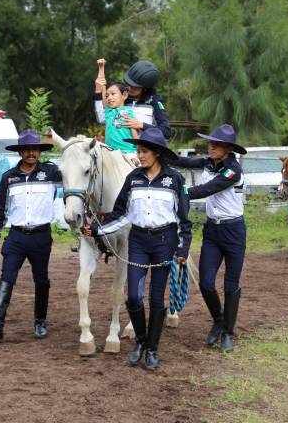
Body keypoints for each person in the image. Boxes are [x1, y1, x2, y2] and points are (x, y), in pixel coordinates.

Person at [82, 128, 191, 370]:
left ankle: (152, 348)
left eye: (144, 152)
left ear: (157, 153)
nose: (139, 156)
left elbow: (183, 219)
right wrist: (97, 229)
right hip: (139, 241)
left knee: (156, 299)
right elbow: (121, 214)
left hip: (165, 242)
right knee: (133, 297)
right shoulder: (133, 178)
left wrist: (183, 250)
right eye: (138, 151)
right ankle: (141, 341)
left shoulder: (175, 180)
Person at [171, 124, 247, 352]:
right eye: (211, 143)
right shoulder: (207, 162)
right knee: (205, 283)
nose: (211, 147)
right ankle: (219, 320)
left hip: (233, 231)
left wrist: (179, 191)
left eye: (217, 144)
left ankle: (228, 333)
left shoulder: (233, 171)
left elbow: (207, 189)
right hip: (212, 231)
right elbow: (182, 161)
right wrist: (159, 153)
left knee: (231, 284)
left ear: (228, 149)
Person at [0, 130, 62, 343]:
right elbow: (0, 207)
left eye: (34, 149)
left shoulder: (52, 173)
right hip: (16, 237)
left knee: (41, 279)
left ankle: (40, 322)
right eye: (26, 150)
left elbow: (76, 178)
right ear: (20, 152)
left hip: (41, 236)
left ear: (39, 151)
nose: (30, 153)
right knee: (6, 276)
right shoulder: (9, 177)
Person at [93, 58, 138, 157]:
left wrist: (137, 152)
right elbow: (102, 85)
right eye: (107, 96)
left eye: (113, 94)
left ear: (124, 95)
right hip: (111, 153)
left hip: (128, 152)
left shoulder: (127, 111)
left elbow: (133, 131)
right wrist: (101, 68)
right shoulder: (108, 111)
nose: (109, 98)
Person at [120, 60, 172, 140]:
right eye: (128, 84)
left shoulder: (154, 102)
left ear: (145, 88)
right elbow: (104, 116)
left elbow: (166, 132)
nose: (129, 88)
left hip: (143, 146)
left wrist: (142, 125)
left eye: (134, 87)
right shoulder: (123, 96)